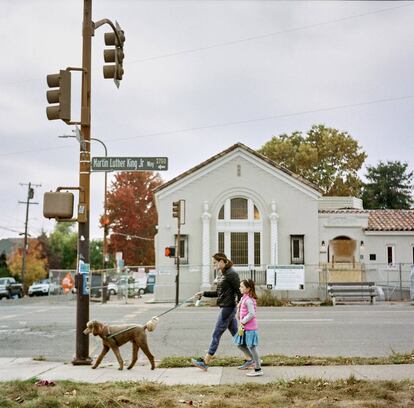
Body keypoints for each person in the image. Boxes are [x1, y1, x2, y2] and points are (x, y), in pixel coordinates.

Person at [191, 252, 242, 371]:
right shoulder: (223, 274)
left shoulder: (232, 274)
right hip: (226, 307)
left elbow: (239, 291)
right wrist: (203, 293)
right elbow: (219, 293)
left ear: (222, 261)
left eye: (215, 262)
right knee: (236, 335)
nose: (213, 264)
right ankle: (250, 358)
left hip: (228, 308)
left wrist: (240, 305)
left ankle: (205, 361)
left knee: (216, 334)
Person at [233, 279, 263, 376]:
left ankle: (258, 369)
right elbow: (241, 310)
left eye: (242, 286)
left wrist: (243, 321)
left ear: (248, 288)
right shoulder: (244, 298)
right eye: (240, 286)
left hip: (250, 328)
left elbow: (251, 314)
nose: (239, 288)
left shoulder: (249, 300)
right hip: (244, 328)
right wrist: (238, 308)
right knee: (240, 344)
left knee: (252, 347)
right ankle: (253, 360)